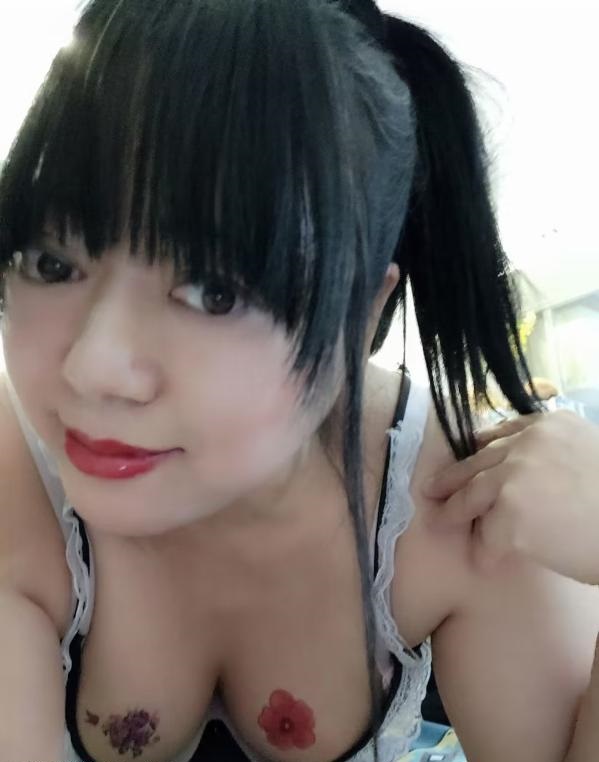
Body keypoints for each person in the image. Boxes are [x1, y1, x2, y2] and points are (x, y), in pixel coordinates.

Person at [0, 2, 598, 762]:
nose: (92, 368)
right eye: (52, 263)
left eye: (215, 292)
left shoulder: (467, 502)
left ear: (361, 312)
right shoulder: (16, 481)